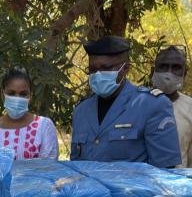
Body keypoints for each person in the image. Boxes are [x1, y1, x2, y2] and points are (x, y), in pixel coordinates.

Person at [70, 36, 181, 168]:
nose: (98, 74)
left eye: (106, 68)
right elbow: (75, 167)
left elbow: (164, 171)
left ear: (126, 68)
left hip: (134, 188)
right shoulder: (81, 111)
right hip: (88, 188)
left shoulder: (152, 105)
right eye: (93, 69)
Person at [0, 67, 59, 160]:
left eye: (23, 94)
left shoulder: (44, 126)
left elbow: (49, 168)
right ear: (2, 94)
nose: (17, 99)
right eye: (11, 93)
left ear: (30, 97)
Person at [151, 46, 192, 168]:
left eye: (176, 68)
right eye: (163, 66)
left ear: (185, 73)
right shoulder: (136, 105)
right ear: (153, 71)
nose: (169, 73)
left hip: (177, 185)